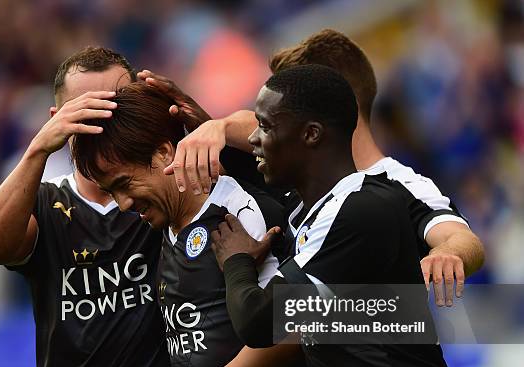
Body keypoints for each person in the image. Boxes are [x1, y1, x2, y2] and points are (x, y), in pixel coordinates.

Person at [208, 64, 494, 367]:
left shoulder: (362, 208)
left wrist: (235, 260)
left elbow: (258, 322)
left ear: (311, 133)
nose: (254, 138)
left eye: (266, 127)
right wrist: (204, 126)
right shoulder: (307, 208)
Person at [137, 29, 484, 307]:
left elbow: (462, 239)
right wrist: (215, 125)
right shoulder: (301, 175)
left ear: (326, 107)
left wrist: (447, 253)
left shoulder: (397, 184)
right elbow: (247, 129)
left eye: (277, 117)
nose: (262, 135)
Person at [71, 81, 308, 367]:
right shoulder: (163, 224)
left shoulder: (239, 214)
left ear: (166, 152)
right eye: (112, 193)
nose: (124, 204)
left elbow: (289, 329)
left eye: (125, 185)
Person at [0, 47, 177, 367]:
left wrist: (209, 126)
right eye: (87, 111)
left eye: (117, 106)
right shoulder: (48, 202)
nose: (104, 123)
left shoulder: (170, 190)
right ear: (58, 119)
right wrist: (37, 150)